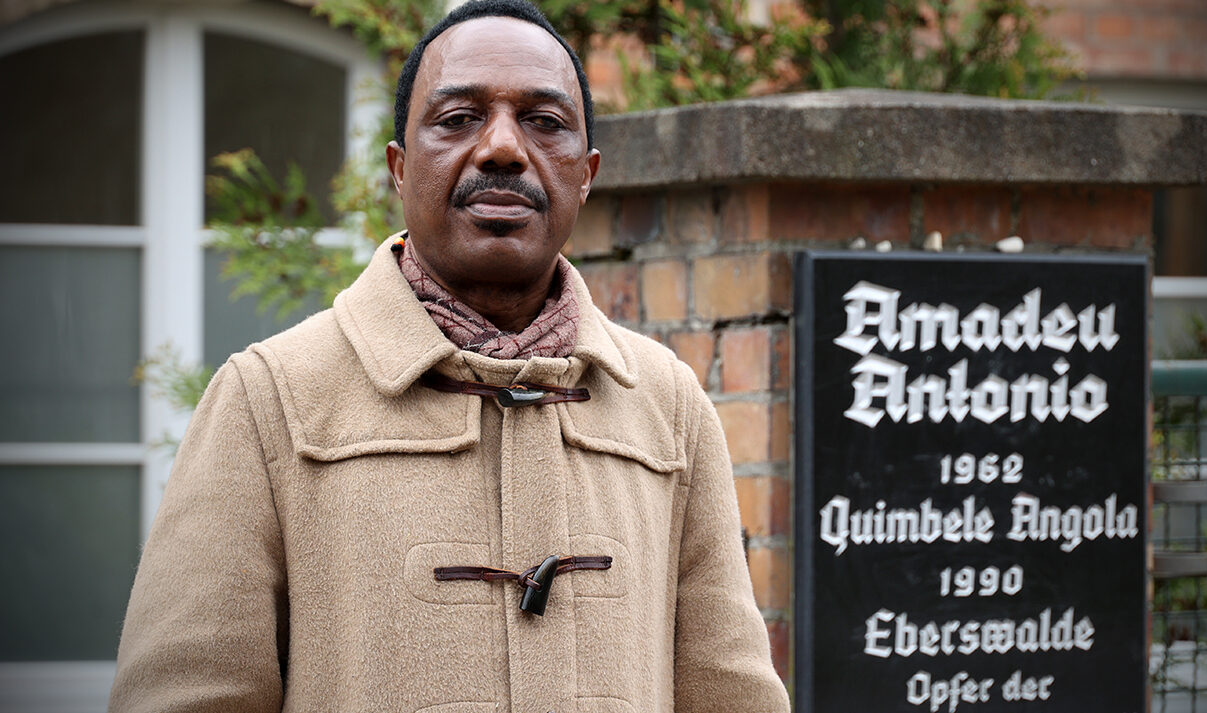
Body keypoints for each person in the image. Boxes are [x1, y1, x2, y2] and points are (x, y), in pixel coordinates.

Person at [109, 1, 790, 710]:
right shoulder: (271, 398)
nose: (502, 148)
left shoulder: (667, 406)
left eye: (543, 121)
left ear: (585, 174)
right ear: (399, 169)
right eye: (458, 117)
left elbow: (731, 693)